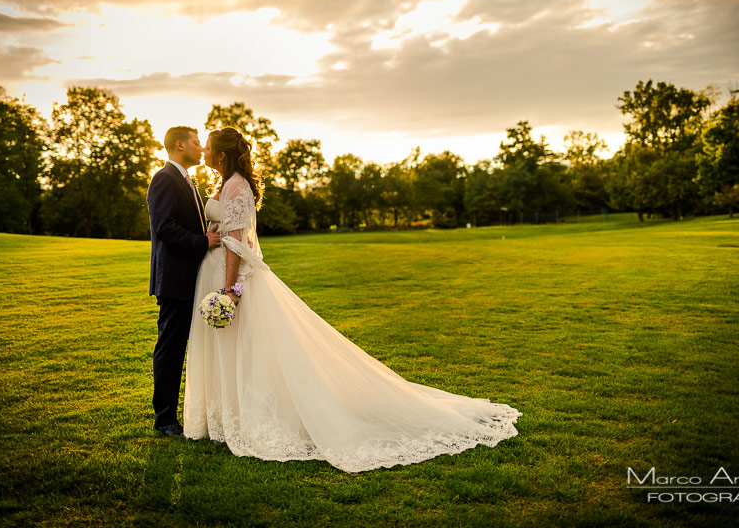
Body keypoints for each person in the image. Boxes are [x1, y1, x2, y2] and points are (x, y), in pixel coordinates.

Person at [184, 127, 522, 472]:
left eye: (208, 148)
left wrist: (228, 290)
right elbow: (228, 231)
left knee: (249, 350)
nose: (205, 152)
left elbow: (238, 243)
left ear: (221, 155)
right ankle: (229, 417)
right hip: (220, 275)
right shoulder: (226, 184)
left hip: (237, 282)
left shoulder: (237, 185)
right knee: (239, 349)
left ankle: (256, 418)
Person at [147, 126, 221, 437]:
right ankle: (164, 419)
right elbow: (164, 227)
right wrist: (202, 242)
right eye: (195, 142)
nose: (201, 147)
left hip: (191, 278)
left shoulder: (186, 179)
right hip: (175, 280)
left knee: (184, 348)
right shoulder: (164, 178)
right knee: (171, 348)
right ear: (180, 145)